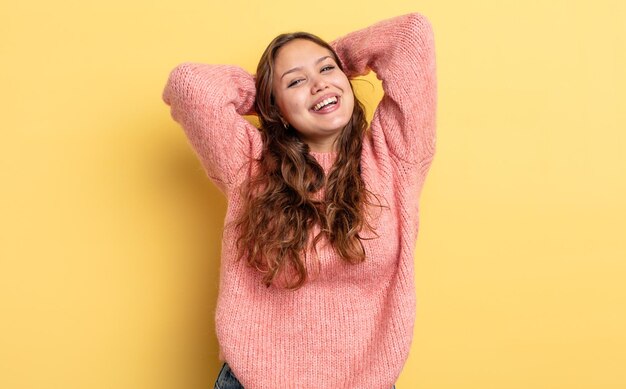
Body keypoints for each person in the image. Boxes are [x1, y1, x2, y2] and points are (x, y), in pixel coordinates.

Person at [162, 11, 436, 389]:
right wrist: (268, 93)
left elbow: (411, 35)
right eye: (296, 82)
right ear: (275, 109)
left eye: (327, 70)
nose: (319, 85)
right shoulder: (250, 165)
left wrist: (334, 63)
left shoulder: (394, 157)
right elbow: (189, 85)